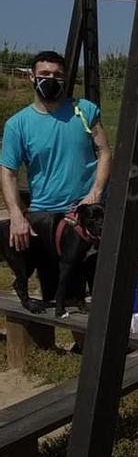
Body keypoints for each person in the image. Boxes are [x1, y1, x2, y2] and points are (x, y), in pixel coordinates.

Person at [0, 51, 111, 309]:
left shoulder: (83, 111)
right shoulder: (18, 125)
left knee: (97, 300)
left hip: (88, 217)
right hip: (47, 222)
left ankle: (92, 346)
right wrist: (16, 215)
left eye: (58, 75)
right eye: (45, 74)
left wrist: (96, 192)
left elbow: (104, 152)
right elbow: (8, 172)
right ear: (32, 77)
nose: (51, 79)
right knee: (58, 296)